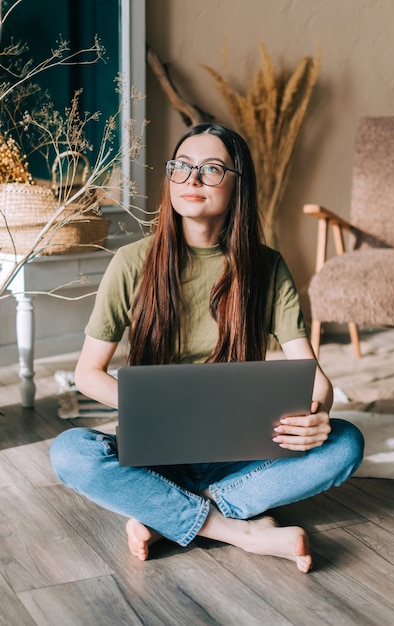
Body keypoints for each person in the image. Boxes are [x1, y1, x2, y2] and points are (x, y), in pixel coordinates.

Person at [50, 123, 364, 573]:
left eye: (211, 169)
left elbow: (312, 375)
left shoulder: (266, 267)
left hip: (240, 451)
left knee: (346, 443)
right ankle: (237, 528)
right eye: (180, 167)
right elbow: (88, 374)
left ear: (240, 184)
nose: (191, 179)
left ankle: (169, 513)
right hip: (156, 453)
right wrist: (160, 405)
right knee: (70, 452)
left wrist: (317, 414)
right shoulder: (131, 262)